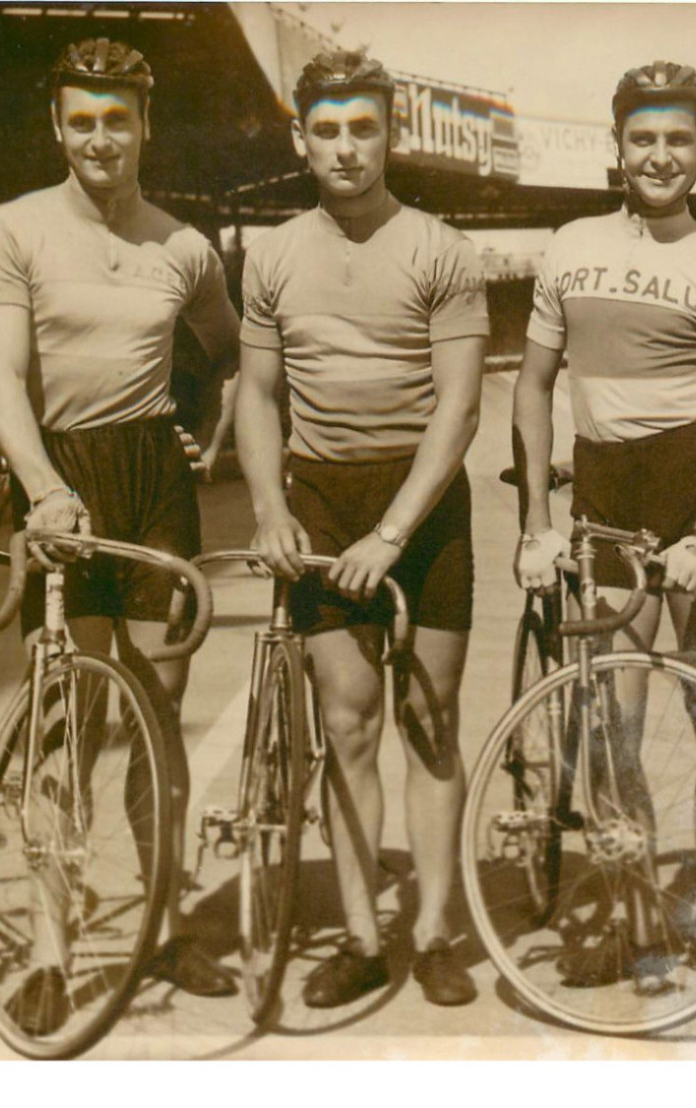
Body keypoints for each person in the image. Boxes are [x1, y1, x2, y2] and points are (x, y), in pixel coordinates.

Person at [0, 36, 243, 1031]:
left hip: (151, 476)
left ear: (144, 125)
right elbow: (1, 379)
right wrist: (42, 487)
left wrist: (202, 426)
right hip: (62, 472)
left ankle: (164, 927)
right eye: (80, 120)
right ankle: (51, 950)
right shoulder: (12, 230)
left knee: (157, 712)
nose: (99, 138)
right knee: (76, 715)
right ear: (57, 126)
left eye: (116, 119)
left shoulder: (183, 244)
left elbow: (231, 351)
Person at [512, 61, 696, 987]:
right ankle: (632, 914)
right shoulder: (569, 244)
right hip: (607, 501)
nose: (662, 155)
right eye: (644, 138)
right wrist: (534, 521)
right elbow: (534, 386)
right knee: (610, 729)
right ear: (614, 148)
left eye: (680, 139)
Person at [237, 50, 486, 1009]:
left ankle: (432, 932)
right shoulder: (273, 251)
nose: (346, 148)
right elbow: (257, 395)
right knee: (347, 722)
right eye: (328, 131)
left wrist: (393, 530)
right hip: (323, 498)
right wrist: (270, 505)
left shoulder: (441, 247)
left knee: (429, 722)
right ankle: (360, 933)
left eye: (364, 128)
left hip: (422, 505)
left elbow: (458, 411)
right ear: (302, 141)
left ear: (393, 134)